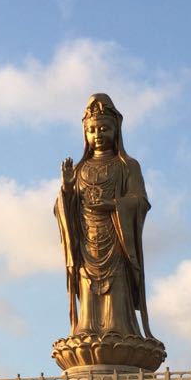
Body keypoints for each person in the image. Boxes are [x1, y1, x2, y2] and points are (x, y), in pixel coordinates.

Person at [54, 93, 158, 340]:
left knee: (116, 287)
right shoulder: (80, 169)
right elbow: (63, 209)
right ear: (85, 135)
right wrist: (68, 189)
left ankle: (120, 329)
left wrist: (113, 205)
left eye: (103, 129)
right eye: (92, 130)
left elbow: (140, 201)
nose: (98, 135)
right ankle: (86, 329)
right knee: (88, 287)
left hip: (117, 239)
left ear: (116, 131)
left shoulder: (127, 166)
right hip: (87, 241)